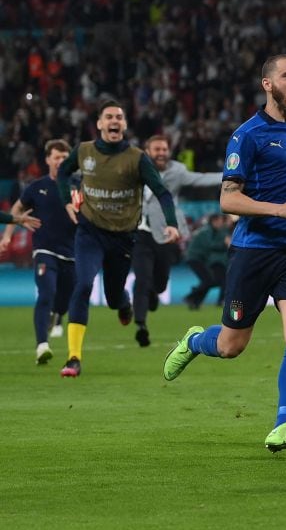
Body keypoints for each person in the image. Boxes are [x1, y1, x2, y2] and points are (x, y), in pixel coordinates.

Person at [162, 54, 286, 453]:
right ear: (268, 84)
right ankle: (194, 341)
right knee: (231, 346)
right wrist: (279, 209)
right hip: (254, 250)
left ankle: (284, 423)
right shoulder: (247, 135)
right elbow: (227, 198)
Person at [56, 98, 181, 378]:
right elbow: (63, 173)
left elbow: (161, 191)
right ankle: (74, 357)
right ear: (99, 123)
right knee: (84, 284)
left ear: (124, 124)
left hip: (123, 238)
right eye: (109, 116)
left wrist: (171, 224)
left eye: (119, 117)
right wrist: (67, 200)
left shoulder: (137, 158)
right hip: (90, 231)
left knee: (113, 297)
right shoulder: (84, 151)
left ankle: (123, 303)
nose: (115, 121)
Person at [133, 135, 223, 347]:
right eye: (157, 149)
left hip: (166, 233)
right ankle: (141, 326)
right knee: (142, 277)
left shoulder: (177, 172)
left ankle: (154, 294)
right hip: (139, 232)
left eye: (164, 149)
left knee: (160, 282)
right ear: (147, 151)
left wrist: (231, 175)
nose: (162, 153)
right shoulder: (134, 169)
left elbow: (201, 179)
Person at [0, 139, 73, 364]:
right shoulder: (37, 187)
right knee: (46, 293)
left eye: (64, 158)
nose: (60, 161)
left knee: (64, 300)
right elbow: (17, 209)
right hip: (45, 250)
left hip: (72, 252)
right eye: (56, 157)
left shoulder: (78, 186)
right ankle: (42, 345)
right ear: (48, 160)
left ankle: (56, 315)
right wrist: (8, 235)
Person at [183, 213, 230, 308]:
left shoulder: (212, 231)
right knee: (208, 280)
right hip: (195, 258)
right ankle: (190, 297)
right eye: (220, 221)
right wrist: (224, 244)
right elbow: (210, 245)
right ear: (214, 221)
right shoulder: (207, 231)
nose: (222, 223)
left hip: (199, 258)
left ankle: (195, 301)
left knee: (209, 281)